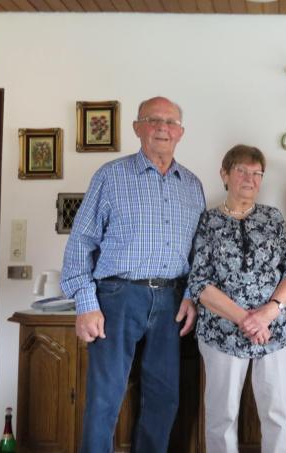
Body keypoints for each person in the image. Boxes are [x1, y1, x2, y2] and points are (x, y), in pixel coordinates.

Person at [60, 96, 205, 453]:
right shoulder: (110, 176)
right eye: (153, 120)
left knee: (164, 397)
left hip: (172, 301)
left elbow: (200, 253)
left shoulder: (192, 185)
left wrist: (190, 296)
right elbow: (81, 242)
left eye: (170, 122)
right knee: (105, 399)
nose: (162, 128)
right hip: (117, 298)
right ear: (137, 128)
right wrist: (85, 304)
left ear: (181, 133)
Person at [187, 145, 286, 453]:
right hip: (222, 332)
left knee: (277, 414)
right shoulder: (207, 222)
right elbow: (199, 282)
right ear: (224, 174)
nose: (250, 179)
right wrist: (245, 319)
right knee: (221, 417)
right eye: (242, 171)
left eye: (257, 173)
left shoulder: (273, 218)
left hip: (274, 331)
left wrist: (267, 313)